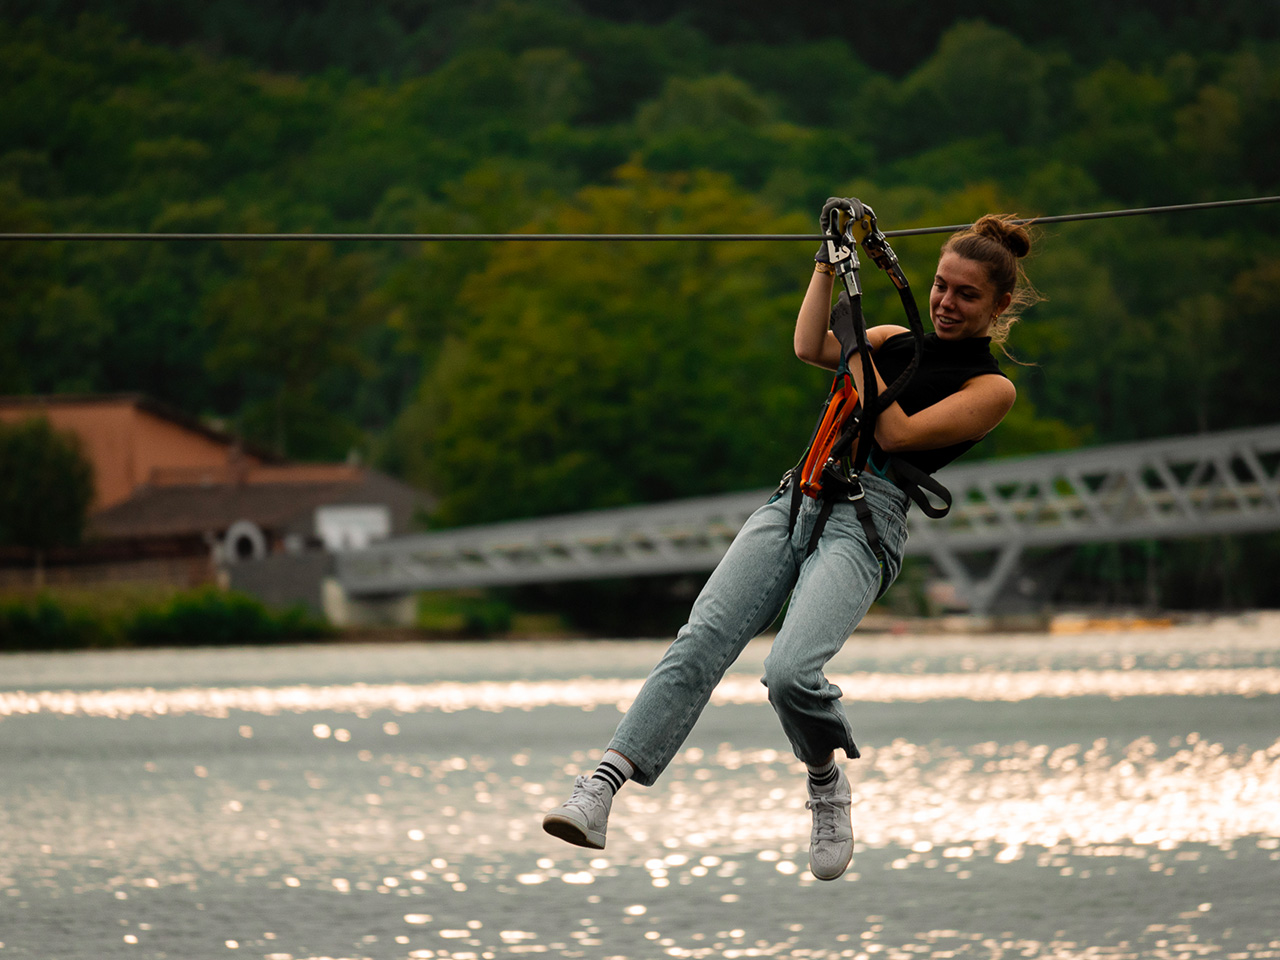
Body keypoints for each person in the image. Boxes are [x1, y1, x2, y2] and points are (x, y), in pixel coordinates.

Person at [542, 202, 1036, 882]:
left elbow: (891, 434)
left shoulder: (991, 387)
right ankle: (601, 785)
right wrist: (826, 265)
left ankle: (825, 781)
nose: (947, 303)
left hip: (869, 520)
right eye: (941, 287)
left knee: (790, 674)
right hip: (799, 494)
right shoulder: (893, 339)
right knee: (703, 638)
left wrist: (855, 344)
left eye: (967, 295)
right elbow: (810, 346)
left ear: (1000, 304)